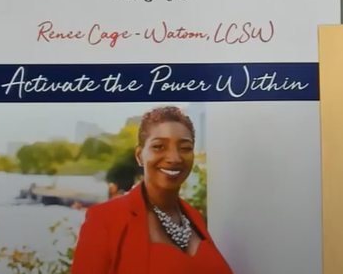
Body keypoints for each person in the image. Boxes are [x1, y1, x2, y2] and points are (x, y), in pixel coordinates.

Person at [70, 106, 233, 274]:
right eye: (159, 146)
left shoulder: (194, 217)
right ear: (140, 155)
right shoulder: (105, 219)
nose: (174, 158)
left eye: (185, 148)